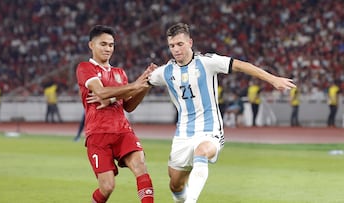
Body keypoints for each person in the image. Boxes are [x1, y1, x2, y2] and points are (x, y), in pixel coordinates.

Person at [147, 22, 296, 203]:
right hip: (183, 134)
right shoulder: (165, 72)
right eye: (172, 46)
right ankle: (182, 198)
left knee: (202, 152)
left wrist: (272, 79)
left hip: (210, 130)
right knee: (175, 185)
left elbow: (241, 65)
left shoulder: (208, 62)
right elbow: (143, 82)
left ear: (190, 43)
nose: (176, 49)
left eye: (180, 44)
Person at [76, 25, 154, 203]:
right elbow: (101, 92)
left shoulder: (120, 73)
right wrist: (133, 86)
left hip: (123, 131)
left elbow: (129, 106)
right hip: (98, 134)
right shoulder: (85, 68)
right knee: (107, 186)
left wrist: (145, 86)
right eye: (103, 44)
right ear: (91, 45)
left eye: (111, 45)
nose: (108, 49)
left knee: (141, 167)